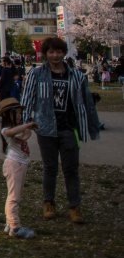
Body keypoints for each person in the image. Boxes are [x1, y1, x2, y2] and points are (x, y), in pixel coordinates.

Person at [21, 36, 99, 224]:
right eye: (51, 52)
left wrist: (90, 125)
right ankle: (49, 202)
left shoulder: (76, 76)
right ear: (45, 54)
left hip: (69, 128)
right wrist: (25, 124)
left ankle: (75, 206)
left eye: (58, 52)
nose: (55, 55)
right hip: (45, 128)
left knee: (71, 169)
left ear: (64, 53)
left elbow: (87, 102)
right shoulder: (36, 74)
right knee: (50, 167)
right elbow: (27, 99)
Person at [0, 97, 37, 239]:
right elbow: (11, 133)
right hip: (13, 164)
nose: (20, 115)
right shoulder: (5, 129)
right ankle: (15, 227)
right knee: (13, 197)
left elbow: (25, 134)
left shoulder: (19, 128)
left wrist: (28, 126)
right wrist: (27, 126)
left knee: (15, 196)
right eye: (18, 113)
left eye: (21, 113)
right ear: (9, 115)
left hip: (20, 165)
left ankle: (10, 223)